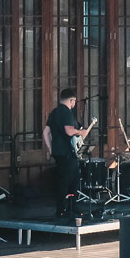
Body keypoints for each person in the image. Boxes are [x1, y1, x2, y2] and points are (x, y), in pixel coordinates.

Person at [43, 88, 92, 217]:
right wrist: (81, 132)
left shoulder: (54, 112)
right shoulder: (66, 112)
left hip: (58, 152)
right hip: (67, 152)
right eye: (74, 101)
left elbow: (45, 133)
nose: (74, 104)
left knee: (66, 180)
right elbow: (69, 131)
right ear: (71, 100)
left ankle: (66, 208)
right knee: (71, 181)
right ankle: (66, 208)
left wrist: (51, 149)